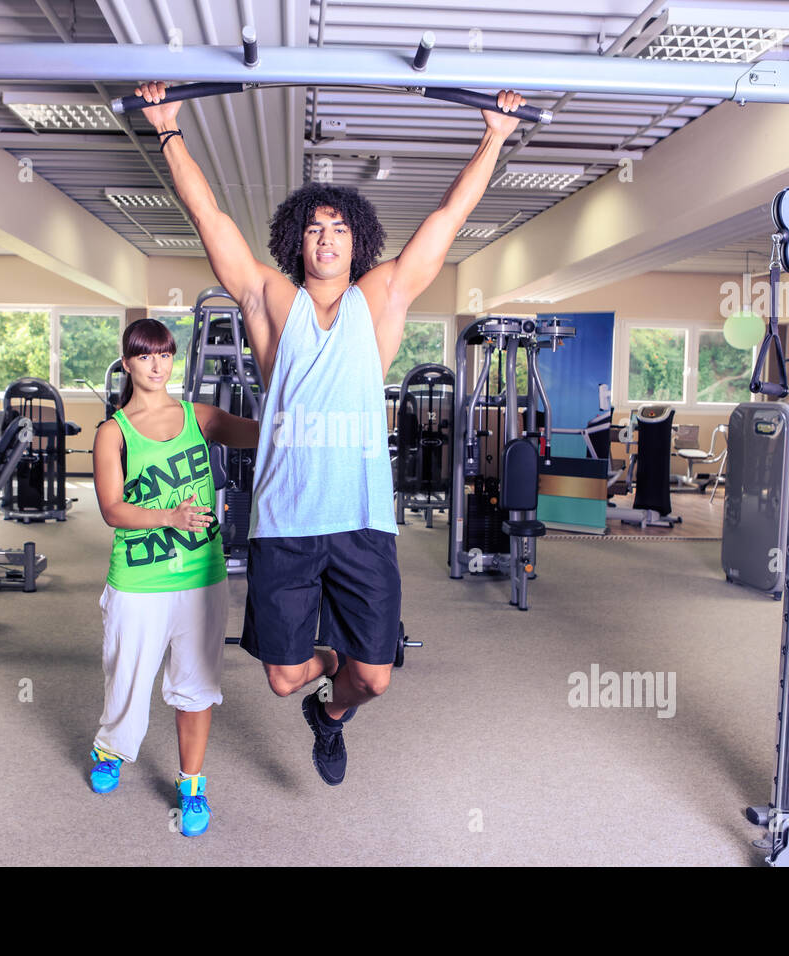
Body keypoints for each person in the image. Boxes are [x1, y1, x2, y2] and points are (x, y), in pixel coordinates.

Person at [138, 81, 526, 785]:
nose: (326, 239)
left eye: (339, 229)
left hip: (361, 520)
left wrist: (494, 138)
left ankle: (333, 712)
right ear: (297, 239)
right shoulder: (270, 299)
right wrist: (168, 130)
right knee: (285, 677)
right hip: (285, 521)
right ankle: (318, 681)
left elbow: (447, 218)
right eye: (314, 229)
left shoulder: (381, 297)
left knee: (373, 678)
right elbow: (210, 218)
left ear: (358, 240)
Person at [90, 317, 258, 836]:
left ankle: (192, 785)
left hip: (201, 579)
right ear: (128, 363)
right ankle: (111, 748)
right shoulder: (112, 432)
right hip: (139, 580)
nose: (157, 364)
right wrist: (169, 516)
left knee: (197, 685)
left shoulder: (198, 417)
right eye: (145, 355)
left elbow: (261, 433)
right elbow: (112, 510)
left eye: (164, 354)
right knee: (127, 683)